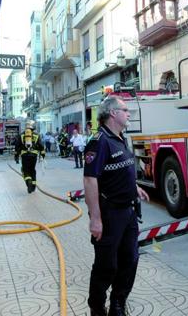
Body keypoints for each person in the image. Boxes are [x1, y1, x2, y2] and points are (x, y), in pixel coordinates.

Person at [83, 96, 149, 316]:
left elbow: (122, 169)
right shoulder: (99, 141)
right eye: (125, 110)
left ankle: (118, 303)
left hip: (128, 212)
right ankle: (96, 306)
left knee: (130, 259)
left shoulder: (121, 138)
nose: (129, 113)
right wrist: (95, 218)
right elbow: (90, 180)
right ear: (113, 113)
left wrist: (135, 187)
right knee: (106, 265)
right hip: (109, 213)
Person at [14, 121, 46, 193]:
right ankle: (33, 186)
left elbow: (17, 147)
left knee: (25, 170)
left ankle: (29, 182)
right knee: (32, 170)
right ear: (32, 127)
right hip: (33, 155)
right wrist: (43, 155)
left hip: (24, 155)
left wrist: (16, 156)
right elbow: (41, 146)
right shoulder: (37, 135)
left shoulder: (21, 135)